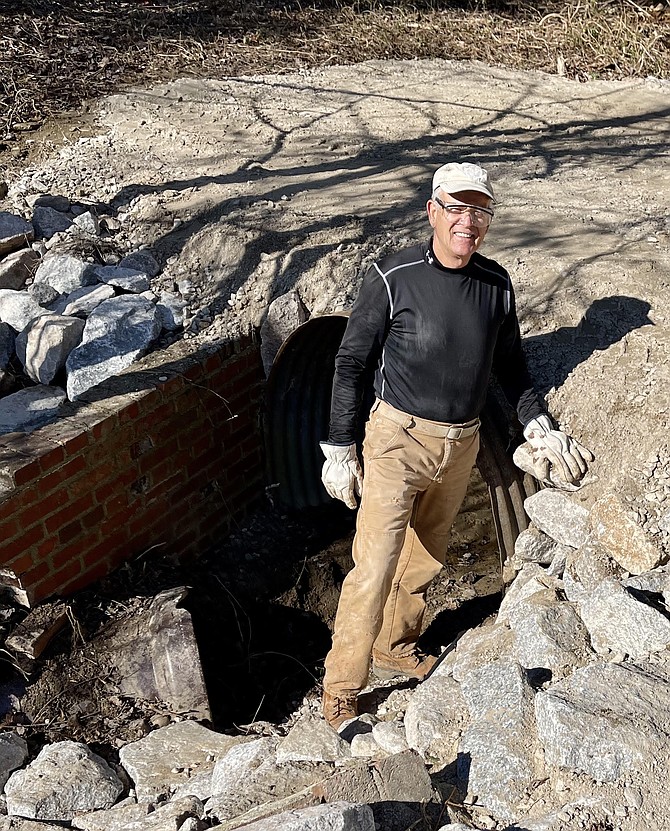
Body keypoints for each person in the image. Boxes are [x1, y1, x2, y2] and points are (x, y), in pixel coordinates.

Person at [318, 161, 594, 729]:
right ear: (433, 212)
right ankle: (342, 685)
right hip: (397, 438)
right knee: (374, 565)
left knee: (425, 557)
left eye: (480, 212)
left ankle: (395, 644)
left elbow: (511, 367)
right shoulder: (393, 278)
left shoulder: (495, 285)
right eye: (456, 209)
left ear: (488, 221)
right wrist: (340, 448)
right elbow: (350, 364)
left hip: (461, 443)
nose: (468, 222)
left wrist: (536, 420)